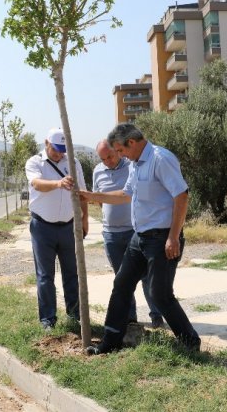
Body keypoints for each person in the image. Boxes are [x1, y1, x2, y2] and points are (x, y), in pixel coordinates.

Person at [80, 123, 201, 354]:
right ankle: (110, 342)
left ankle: (190, 342)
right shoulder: (135, 165)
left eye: (120, 150)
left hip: (162, 237)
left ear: (132, 143)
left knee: (159, 294)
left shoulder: (160, 159)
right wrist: (90, 196)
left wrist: (173, 237)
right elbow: (125, 195)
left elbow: (182, 195)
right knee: (122, 284)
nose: (120, 156)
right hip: (140, 237)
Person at [93, 139, 163, 328]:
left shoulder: (132, 165)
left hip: (134, 231)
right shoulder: (97, 171)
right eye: (103, 158)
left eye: (110, 156)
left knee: (147, 275)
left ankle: (156, 314)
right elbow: (99, 198)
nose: (107, 161)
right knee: (122, 278)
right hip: (111, 235)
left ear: (117, 151)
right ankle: (130, 318)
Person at [26, 127, 89, 331]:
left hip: (69, 227)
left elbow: (82, 192)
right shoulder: (35, 162)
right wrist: (58, 183)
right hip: (42, 227)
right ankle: (48, 320)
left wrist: (85, 218)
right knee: (45, 276)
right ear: (46, 143)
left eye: (63, 150)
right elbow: (36, 184)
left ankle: (74, 315)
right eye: (56, 149)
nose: (60, 154)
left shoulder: (74, 163)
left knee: (72, 273)